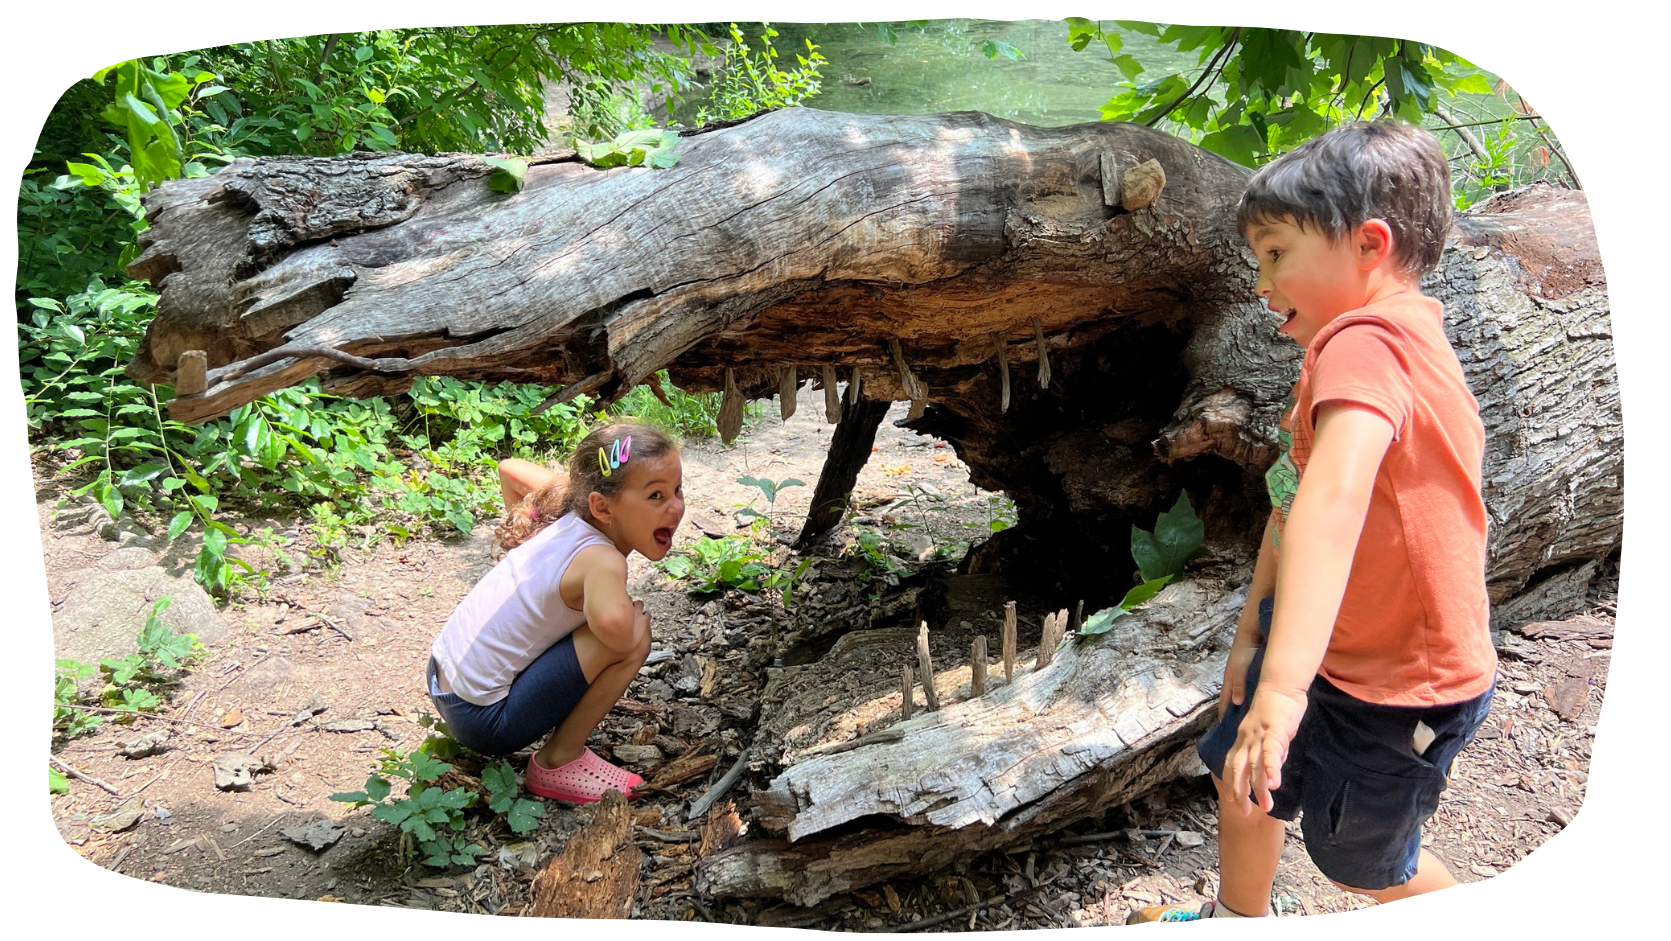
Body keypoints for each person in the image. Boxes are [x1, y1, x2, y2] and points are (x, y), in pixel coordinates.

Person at [1130, 121, 1498, 937]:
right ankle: (1233, 924)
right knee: (1243, 775)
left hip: (1398, 683)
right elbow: (1293, 499)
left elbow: (1332, 507)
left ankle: (1464, 919)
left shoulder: (1367, 346)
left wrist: (1282, 693)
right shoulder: (1345, 350)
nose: (1259, 282)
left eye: (1275, 255)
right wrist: (1252, 645)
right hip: (1321, 643)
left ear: (1368, 243)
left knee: (1362, 864)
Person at [425, 422, 686, 803]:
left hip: (442, 673)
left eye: (677, 490)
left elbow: (510, 468)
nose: (676, 507)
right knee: (634, 634)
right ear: (601, 505)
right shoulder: (602, 560)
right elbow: (614, 628)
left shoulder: (569, 500)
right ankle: (557, 761)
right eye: (656, 496)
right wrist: (629, 629)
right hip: (483, 722)